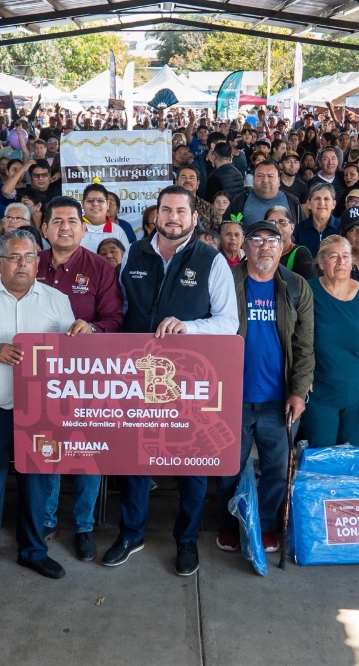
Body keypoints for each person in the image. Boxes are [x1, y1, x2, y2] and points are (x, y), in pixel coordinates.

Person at [105, 186, 239, 577]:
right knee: (136, 456)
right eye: (167, 210)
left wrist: (188, 327)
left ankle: (186, 540)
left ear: (195, 218)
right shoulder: (135, 253)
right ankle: (131, 534)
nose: (174, 217)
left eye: (182, 211)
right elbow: (123, 308)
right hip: (137, 375)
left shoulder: (211, 261)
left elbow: (229, 323)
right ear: (156, 214)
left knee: (191, 461)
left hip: (189, 378)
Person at [0, 230, 80, 596]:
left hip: (42, 414)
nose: (22, 264)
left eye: (28, 257)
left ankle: (33, 552)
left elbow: (71, 354)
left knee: (37, 488)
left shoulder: (57, 300)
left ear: (38, 262)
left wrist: (83, 333)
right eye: (13, 257)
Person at [216, 221, 313, 554]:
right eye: (256, 240)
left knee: (275, 468)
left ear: (282, 246)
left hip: (278, 399)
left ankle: (268, 525)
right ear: (245, 246)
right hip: (232, 397)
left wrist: (298, 391)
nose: (265, 247)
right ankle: (230, 523)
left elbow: (304, 345)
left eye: (272, 240)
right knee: (228, 464)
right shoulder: (228, 281)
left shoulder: (296, 286)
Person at [36, 197, 125, 561]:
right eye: (56, 221)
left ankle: (85, 525)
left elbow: (116, 319)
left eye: (72, 221)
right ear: (44, 229)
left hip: (89, 376)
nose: (65, 227)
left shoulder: (100, 268)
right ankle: (45, 519)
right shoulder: (31, 263)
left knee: (87, 451)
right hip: (40, 376)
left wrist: (91, 327)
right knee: (47, 447)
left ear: (84, 227)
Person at [303, 235, 359, 448]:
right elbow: (292, 340)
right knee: (320, 466)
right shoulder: (307, 291)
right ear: (322, 263)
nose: (341, 262)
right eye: (334, 257)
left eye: (345, 256)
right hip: (319, 396)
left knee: (352, 469)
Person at [266, 205, 317, 282]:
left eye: (282, 222)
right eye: (271, 223)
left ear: (292, 227)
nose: (276, 226)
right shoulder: (262, 252)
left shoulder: (301, 254)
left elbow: (308, 288)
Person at [79, 184, 130, 254]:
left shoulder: (118, 231)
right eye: (90, 201)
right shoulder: (74, 229)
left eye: (100, 201)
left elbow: (125, 260)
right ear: (83, 204)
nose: (95, 204)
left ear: (107, 204)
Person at [293, 182, 338, 253]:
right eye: (317, 198)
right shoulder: (298, 230)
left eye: (326, 199)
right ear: (309, 203)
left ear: (333, 204)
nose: (321, 203)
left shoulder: (342, 228)